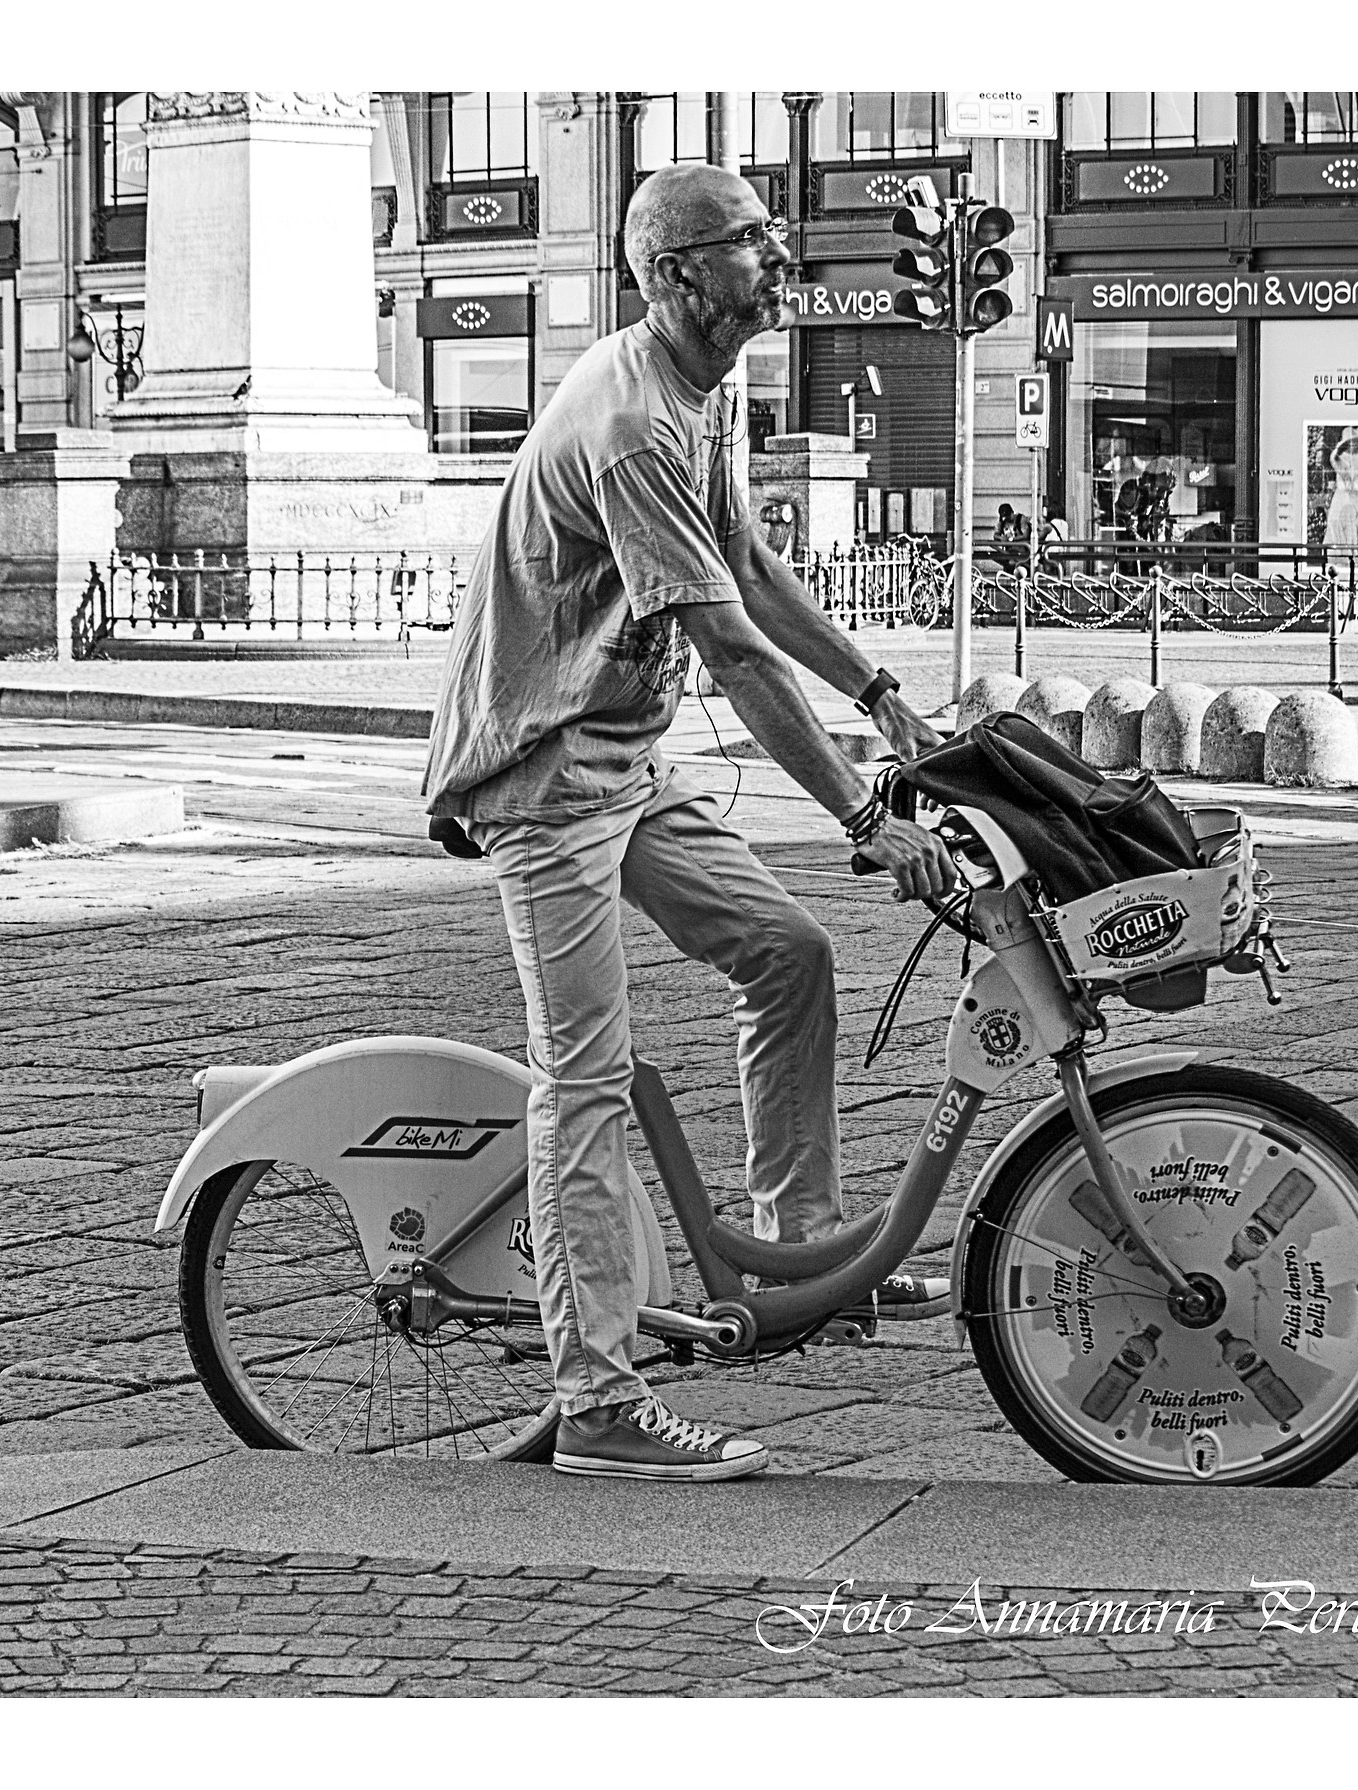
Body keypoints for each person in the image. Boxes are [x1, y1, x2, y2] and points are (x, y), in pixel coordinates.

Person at [422, 163, 958, 1483]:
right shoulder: (635, 423)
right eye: (748, 243)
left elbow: (753, 572)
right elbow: (724, 638)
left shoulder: (702, 385)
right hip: (543, 774)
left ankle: (804, 1248)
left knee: (790, 953)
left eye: (774, 235)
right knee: (585, 1080)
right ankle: (598, 1398)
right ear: (674, 277)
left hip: (624, 758)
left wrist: (884, 700)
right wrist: (860, 813)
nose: (778, 259)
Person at [1323, 427, 1358, 549]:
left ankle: (1355, 556)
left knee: (1356, 523)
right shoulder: (1340, 457)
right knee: (1338, 523)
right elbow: (1335, 461)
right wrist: (1341, 449)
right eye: (1351, 442)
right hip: (1341, 497)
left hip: (1356, 497)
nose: (1355, 445)